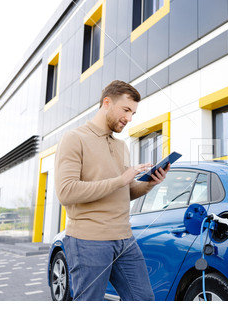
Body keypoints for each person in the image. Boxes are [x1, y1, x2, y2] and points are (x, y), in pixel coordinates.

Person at [54, 80, 169, 301]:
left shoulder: (121, 145)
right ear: (107, 102)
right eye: (126, 110)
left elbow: (125, 190)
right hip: (89, 241)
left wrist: (150, 183)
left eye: (133, 113)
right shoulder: (74, 138)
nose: (129, 118)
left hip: (125, 239)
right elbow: (66, 192)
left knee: (144, 301)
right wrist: (120, 180)